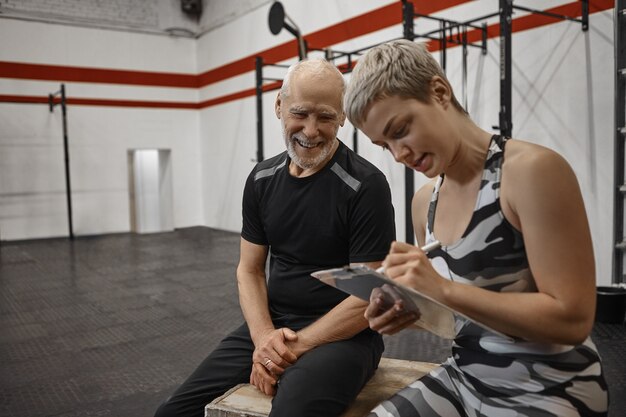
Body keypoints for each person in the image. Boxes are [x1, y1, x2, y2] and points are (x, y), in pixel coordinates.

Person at [343, 39, 608, 417]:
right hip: (466, 376)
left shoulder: (531, 172)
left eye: (400, 130)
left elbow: (573, 319)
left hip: (551, 386)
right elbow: (459, 317)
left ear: (439, 92)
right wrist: (411, 313)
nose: (399, 154)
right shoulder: (425, 204)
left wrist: (443, 290)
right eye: (384, 145)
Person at [154, 58, 396, 417]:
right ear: (279, 106)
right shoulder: (261, 179)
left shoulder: (365, 186)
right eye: (300, 113)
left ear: (343, 117)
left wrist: (288, 350)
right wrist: (265, 339)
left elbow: (368, 296)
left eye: (326, 117)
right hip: (274, 325)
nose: (311, 131)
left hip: (344, 335)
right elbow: (249, 270)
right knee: (173, 413)